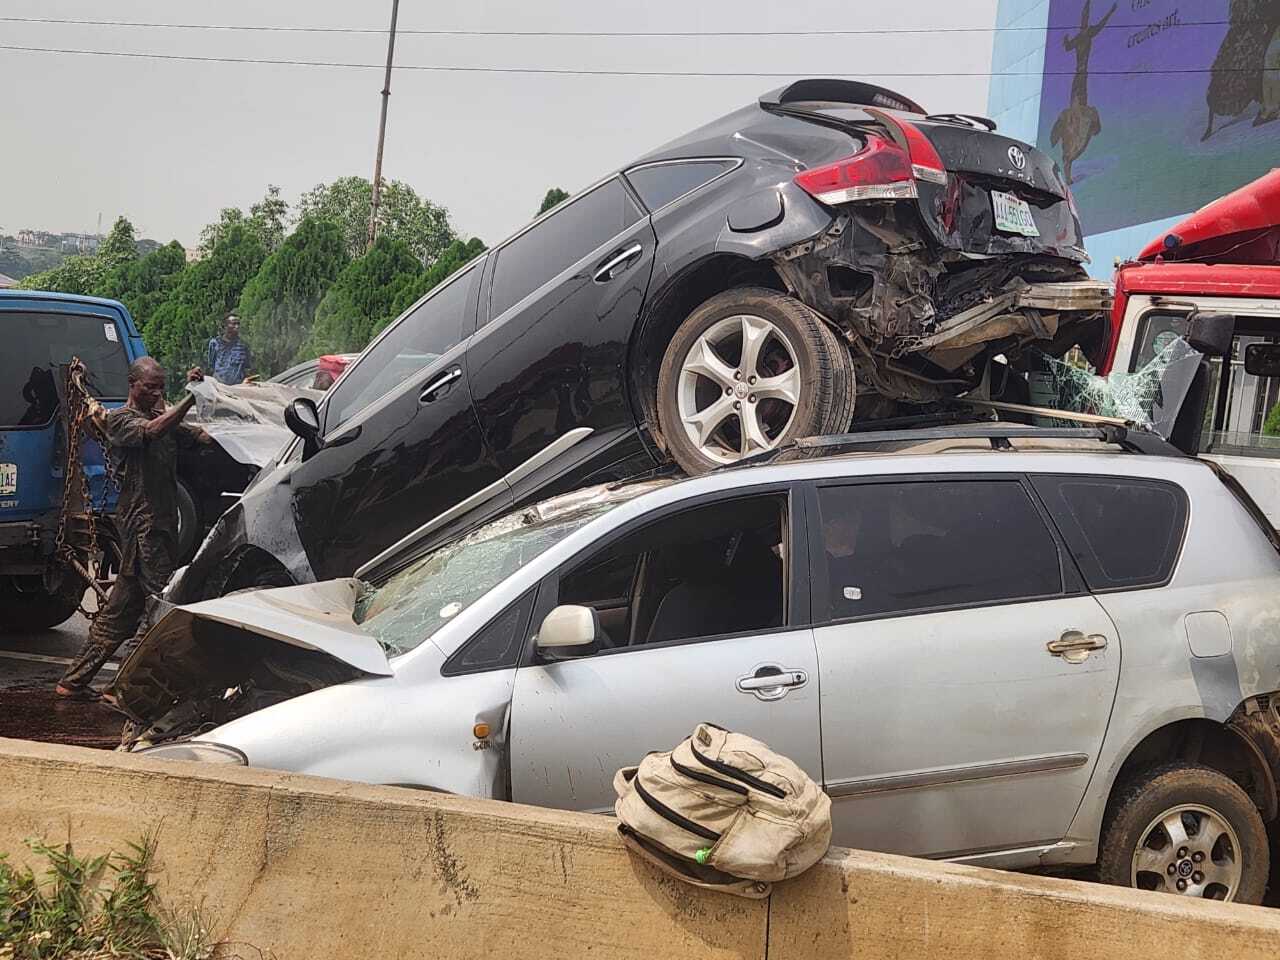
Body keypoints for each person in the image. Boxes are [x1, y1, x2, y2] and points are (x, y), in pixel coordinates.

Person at [56, 357, 211, 700]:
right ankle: (124, 686)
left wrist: (224, 403)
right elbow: (153, 432)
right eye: (149, 387)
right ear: (132, 385)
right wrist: (191, 398)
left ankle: (73, 681)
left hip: (160, 526)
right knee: (162, 606)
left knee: (120, 613)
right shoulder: (121, 421)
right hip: (144, 528)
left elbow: (200, 436)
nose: (156, 393)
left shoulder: (163, 419)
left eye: (160, 387)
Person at [206, 312, 252, 384]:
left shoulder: (243, 346)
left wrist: (246, 380)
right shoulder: (215, 343)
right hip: (219, 387)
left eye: (238, 324)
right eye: (233, 324)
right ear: (225, 326)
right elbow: (211, 366)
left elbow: (247, 368)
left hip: (238, 387)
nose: (236, 326)